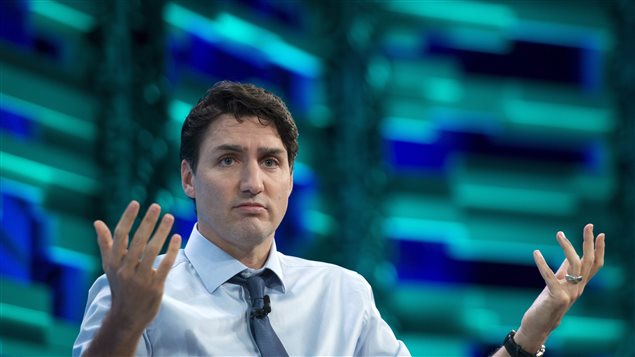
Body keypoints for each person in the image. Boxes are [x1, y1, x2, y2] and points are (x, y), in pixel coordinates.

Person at [73, 81, 606, 356]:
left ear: (289, 178)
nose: (252, 182)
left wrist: (532, 334)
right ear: (188, 178)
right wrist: (125, 321)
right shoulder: (136, 292)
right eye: (228, 159)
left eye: (270, 161)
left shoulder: (342, 295)